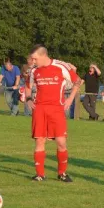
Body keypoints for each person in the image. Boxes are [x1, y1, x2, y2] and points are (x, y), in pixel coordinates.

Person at [26, 45, 81, 182]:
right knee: (40, 140)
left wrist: (70, 98)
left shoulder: (61, 66)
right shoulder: (34, 71)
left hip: (56, 109)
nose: (33, 62)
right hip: (39, 109)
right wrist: (28, 99)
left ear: (43, 55)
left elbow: (78, 81)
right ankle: (40, 174)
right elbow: (27, 86)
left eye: (34, 59)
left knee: (61, 142)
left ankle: (62, 173)